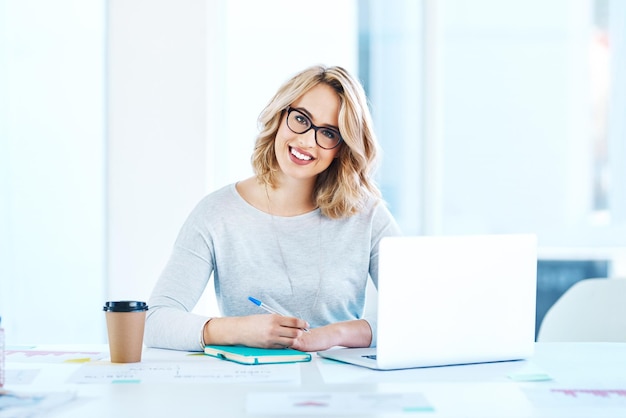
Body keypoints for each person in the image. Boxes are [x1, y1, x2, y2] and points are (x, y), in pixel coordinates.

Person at [145, 65, 401, 353]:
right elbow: (155, 322)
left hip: (339, 387)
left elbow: (415, 315)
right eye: (301, 119)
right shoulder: (217, 213)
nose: (306, 141)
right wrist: (238, 330)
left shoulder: (367, 215)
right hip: (248, 384)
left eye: (328, 133)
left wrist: (337, 334)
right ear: (280, 115)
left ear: (341, 147)